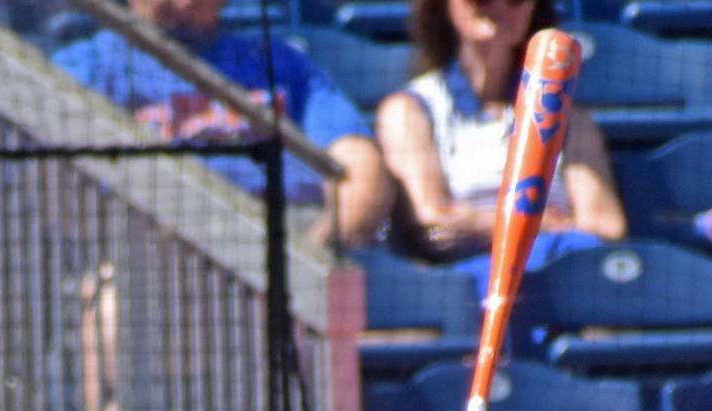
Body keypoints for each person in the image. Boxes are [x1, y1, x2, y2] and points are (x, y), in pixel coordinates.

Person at [54, 0, 395, 251]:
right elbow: (58, 195)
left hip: (286, 240)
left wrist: (312, 253)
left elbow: (360, 170)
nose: (186, 4)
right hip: (147, 253)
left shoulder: (278, 64)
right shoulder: (90, 67)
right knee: (110, 311)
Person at [375, 0, 624, 280]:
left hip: (563, 271)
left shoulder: (567, 117)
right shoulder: (410, 110)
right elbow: (436, 223)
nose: (499, 7)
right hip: (467, 280)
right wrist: (541, 223)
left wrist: (477, 221)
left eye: (515, 0)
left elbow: (605, 225)